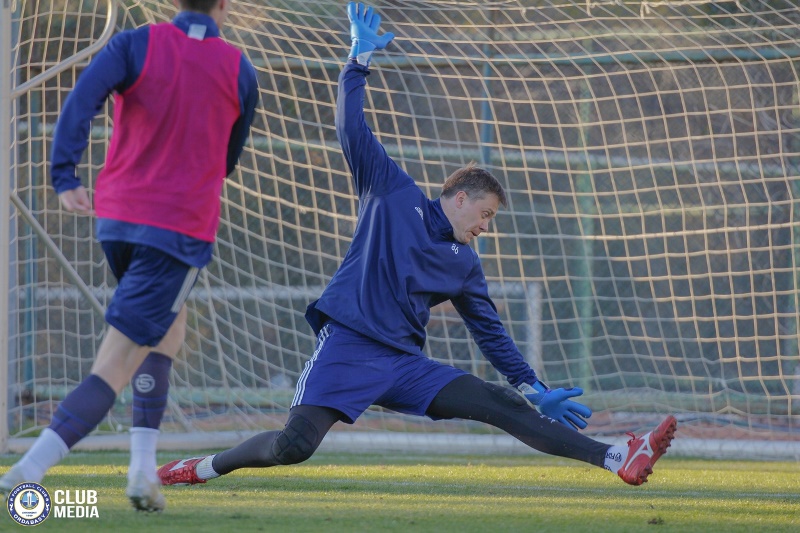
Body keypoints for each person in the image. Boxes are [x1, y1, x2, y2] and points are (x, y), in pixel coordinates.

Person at [157, 2, 676, 490]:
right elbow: (350, 128)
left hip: (404, 366)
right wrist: (358, 60)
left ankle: (616, 455)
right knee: (292, 446)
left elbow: (491, 334)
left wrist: (533, 388)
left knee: (501, 403)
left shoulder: (464, 264)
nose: (486, 227)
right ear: (460, 197)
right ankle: (200, 468)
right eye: (486, 214)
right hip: (348, 348)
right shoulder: (392, 193)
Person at [0, 0, 258, 512]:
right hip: (178, 230)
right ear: (224, 6)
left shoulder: (135, 42)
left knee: (169, 330)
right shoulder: (238, 68)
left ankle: (142, 470)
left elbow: (83, 98)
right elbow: (228, 159)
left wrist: (64, 174)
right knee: (117, 360)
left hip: (117, 219)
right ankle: (28, 469)